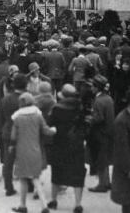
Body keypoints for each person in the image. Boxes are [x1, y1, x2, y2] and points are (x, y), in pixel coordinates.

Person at [10, 92, 57, 213]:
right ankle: (44, 205)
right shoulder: (38, 115)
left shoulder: (17, 118)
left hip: (22, 152)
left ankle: (22, 205)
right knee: (36, 179)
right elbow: (46, 130)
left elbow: (13, 137)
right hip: (36, 151)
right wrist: (54, 130)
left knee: (23, 180)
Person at [46, 84, 88, 212]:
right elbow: (85, 126)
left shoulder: (57, 108)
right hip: (76, 144)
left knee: (57, 172)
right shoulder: (80, 107)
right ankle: (77, 204)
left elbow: (49, 124)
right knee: (78, 173)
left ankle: (53, 200)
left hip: (59, 143)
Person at [0, 73, 28, 196]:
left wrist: (1, 130)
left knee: (8, 161)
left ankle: (8, 187)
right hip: (24, 133)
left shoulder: (6, 99)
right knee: (26, 159)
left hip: (8, 131)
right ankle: (29, 185)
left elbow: (1, 119)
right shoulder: (27, 98)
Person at [88, 74, 114, 193]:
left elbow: (99, 118)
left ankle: (102, 184)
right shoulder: (108, 98)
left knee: (100, 160)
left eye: (93, 86)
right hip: (109, 132)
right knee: (106, 158)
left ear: (97, 87)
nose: (91, 88)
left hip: (100, 133)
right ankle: (107, 182)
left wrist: (89, 119)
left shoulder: (98, 101)